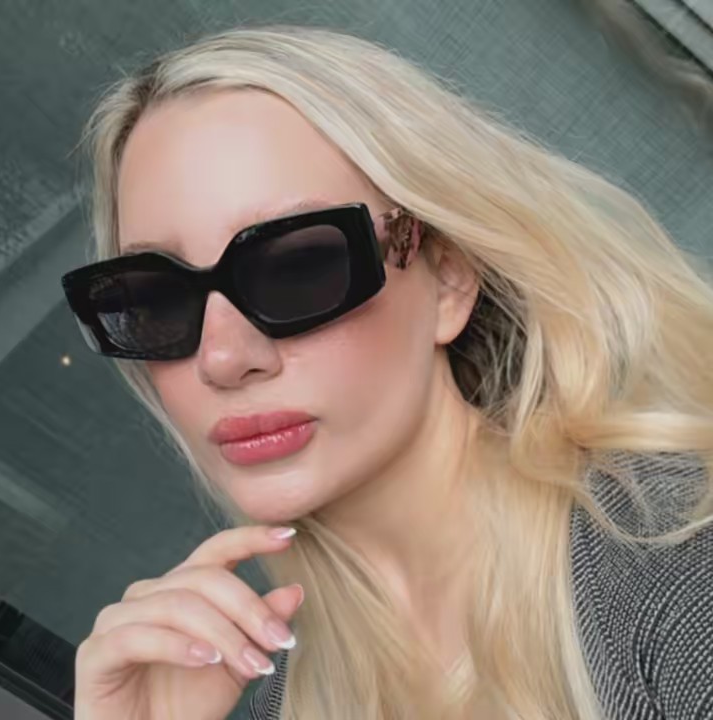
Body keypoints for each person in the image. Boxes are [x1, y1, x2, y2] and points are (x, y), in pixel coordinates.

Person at [62, 25, 713, 720]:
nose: (223, 358)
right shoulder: (283, 700)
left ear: (448, 279)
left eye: (297, 266)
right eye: (155, 299)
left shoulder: (677, 561)